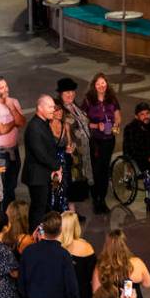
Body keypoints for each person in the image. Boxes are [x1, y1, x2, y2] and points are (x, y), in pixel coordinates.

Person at [82, 74, 121, 215]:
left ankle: (102, 199)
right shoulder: (88, 100)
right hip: (95, 140)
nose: (101, 86)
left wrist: (116, 125)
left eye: (103, 83)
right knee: (95, 169)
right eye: (98, 84)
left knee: (104, 169)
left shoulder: (112, 98)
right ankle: (95, 199)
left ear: (107, 84)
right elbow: (82, 120)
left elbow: (117, 115)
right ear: (94, 85)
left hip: (109, 140)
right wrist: (96, 125)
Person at [22, 95, 61, 229]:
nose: (53, 110)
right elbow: (41, 154)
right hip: (36, 176)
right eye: (50, 107)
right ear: (40, 108)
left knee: (42, 208)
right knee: (38, 210)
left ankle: (41, 237)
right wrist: (57, 166)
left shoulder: (43, 123)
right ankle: (35, 238)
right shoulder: (34, 127)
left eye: (53, 107)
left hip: (42, 174)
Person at [0, 77, 26, 206]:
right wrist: (14, 121)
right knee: (2, 186)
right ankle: (4, 214)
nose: (6, 89)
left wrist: (12, 108)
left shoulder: (14, 102)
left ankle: (11, 211)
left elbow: (22, 122)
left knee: (12, 183)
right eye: (2, 88)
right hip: (0, 152)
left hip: (14, 149)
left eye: (6, 86)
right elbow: (2, 129)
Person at [58, 77, 93, 207]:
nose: (70, 94)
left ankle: (73, 211)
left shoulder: (74, 106)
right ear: (61, 94)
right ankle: (69, 211)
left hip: (82, 150)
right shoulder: (61, 110)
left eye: (72, 91)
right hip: (71, 151)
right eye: (67, 92)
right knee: (71, 181)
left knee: (77, 179)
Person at [49, 98, 73, 213]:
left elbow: (69, 143)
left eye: (60, 110)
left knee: (65, 186)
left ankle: (64, 210)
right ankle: (53, 212)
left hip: (64, 160)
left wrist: (70, 148)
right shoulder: (46, 127)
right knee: (53, 187)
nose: (59, 113)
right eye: (56, 110)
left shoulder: (66, 125)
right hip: (51, 160)